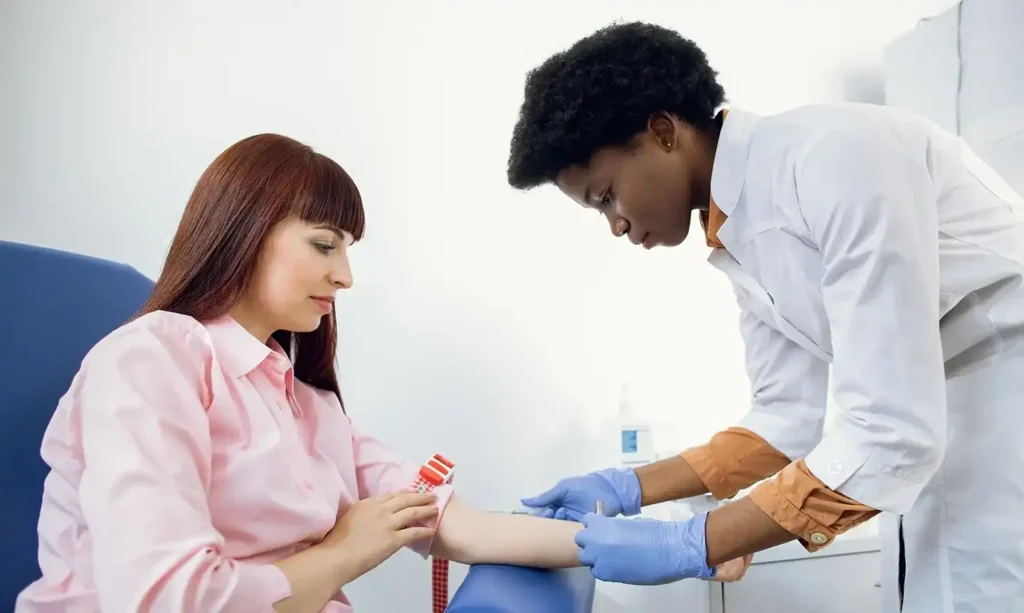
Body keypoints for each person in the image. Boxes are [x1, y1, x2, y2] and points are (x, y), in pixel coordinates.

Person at [505, 21, 1024, 613]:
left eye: (606, 197)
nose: (616, 225)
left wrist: (698, 540)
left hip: (1004, 396)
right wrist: (629, 487)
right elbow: (784, 418)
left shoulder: (834, 158)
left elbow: (890, 432)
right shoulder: (737, 231)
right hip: (949, 425)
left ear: (663, 133)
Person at [14, 134, 594, 613]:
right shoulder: (149, 360)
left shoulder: (307, 404)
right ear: (245, 231)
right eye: (324, 245)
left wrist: (622, 544)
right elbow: (170, 600)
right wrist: (343, 553)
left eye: (347, 250)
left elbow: (453, 524)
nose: (345, 277)